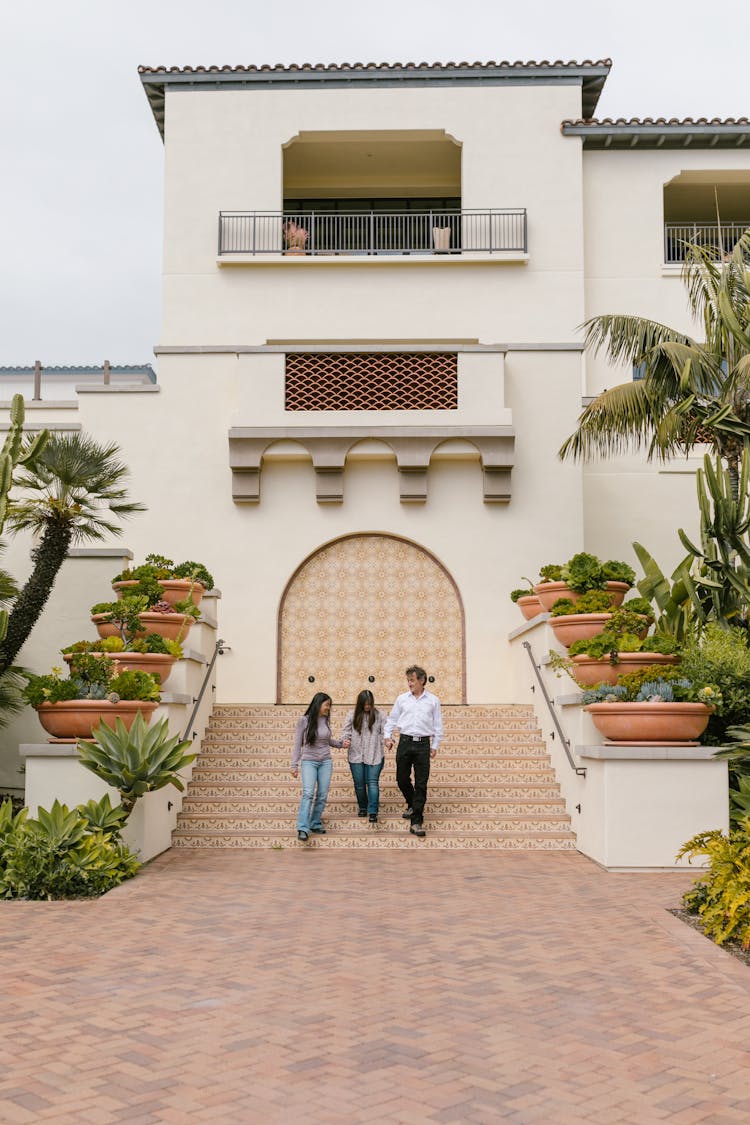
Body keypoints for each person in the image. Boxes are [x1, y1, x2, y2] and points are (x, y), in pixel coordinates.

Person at [384, 665, 443, 838]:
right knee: (401, 779)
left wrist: (435, 745)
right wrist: (388, 736)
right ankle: (412, 804)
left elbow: (438, 726)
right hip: (404, 741)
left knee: (421, 784)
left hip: (423, 745)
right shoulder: (402, 699)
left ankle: (416, 821)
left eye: (412, 680)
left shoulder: (433, 700)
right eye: (408, 680)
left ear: (422, 680)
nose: (409, 683)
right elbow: (392, 719)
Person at [291, 692, 342, 842]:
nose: (328, 708)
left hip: (326, 761)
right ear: (318, 704)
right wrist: (294, 764)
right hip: (309, 761)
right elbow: (297, 744)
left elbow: (326, 740)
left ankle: (314, 823)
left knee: (322, 794)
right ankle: (302, 828)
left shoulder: (325, 719)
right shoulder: (304, 720)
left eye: (330, 706)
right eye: (327, 705)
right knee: (308, 793)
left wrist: (339, 744)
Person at [341, 689, 385, 823]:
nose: (367, 707)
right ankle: (363, 807)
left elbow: (385, 733)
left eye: (369, 704)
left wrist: (388, 740)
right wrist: (345, 740)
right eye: (365, 704)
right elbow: (346, 732)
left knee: (372, 783)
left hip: (375, 754)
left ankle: (373, 812)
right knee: (359, 785)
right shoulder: (351, 715)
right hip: (356, 755)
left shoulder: (380, 715)